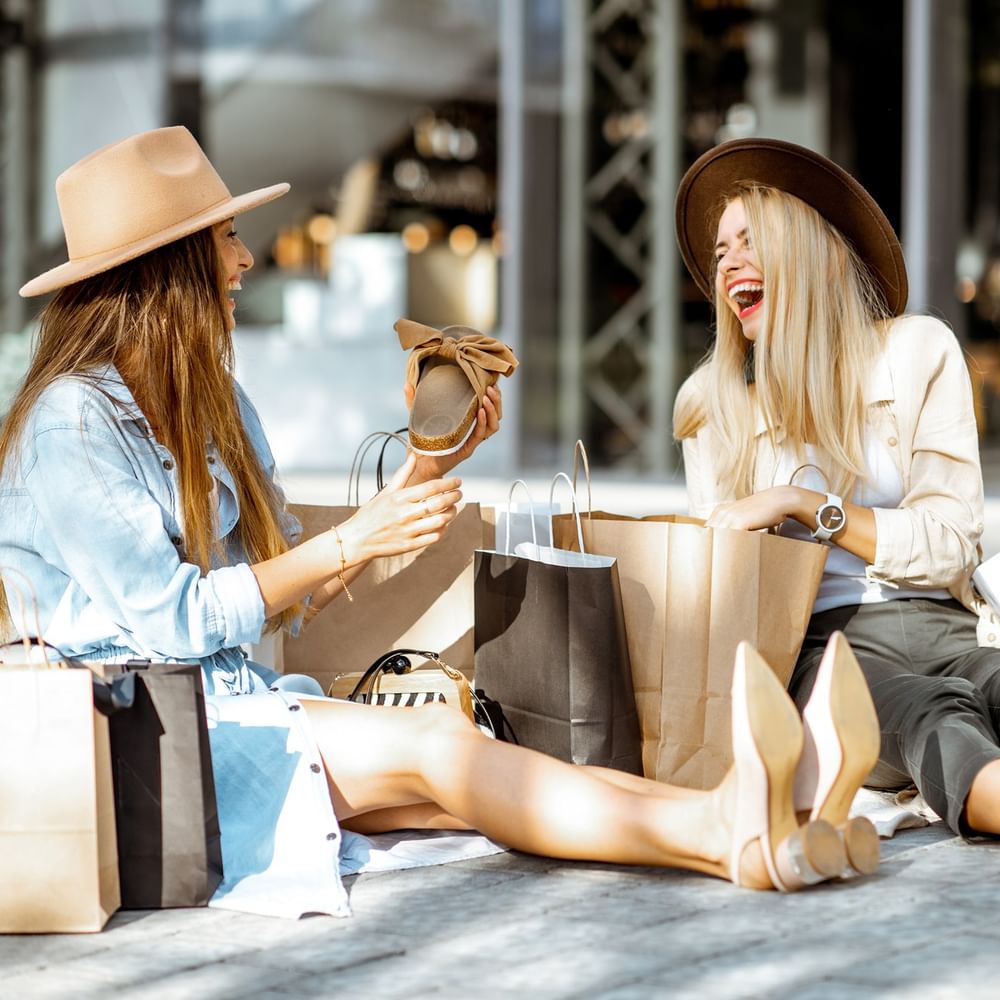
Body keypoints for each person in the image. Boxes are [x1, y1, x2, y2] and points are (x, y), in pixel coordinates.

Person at [0, 127, 869, 913]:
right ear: (171, 266)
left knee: (458, 771)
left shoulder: (213, 402)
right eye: (226, 238)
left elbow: (286, 594)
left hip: (225, 715)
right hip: (143, 762)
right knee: (442, 752)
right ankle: (733, 832)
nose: (245, 259)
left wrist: (422, 472)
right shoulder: (72, 424)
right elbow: (176, 619)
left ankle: (769, 829)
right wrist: (355, 539)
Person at [674, 136, 1000, 842]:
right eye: (721, 250)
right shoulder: (710, 405)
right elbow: (719, 604)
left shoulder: (917, 351)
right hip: (821, 648)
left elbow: (951, 545)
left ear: (811, 249)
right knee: (934, 715)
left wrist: (806, 508)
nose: (727, 260)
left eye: (749, 240)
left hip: (946, 621)